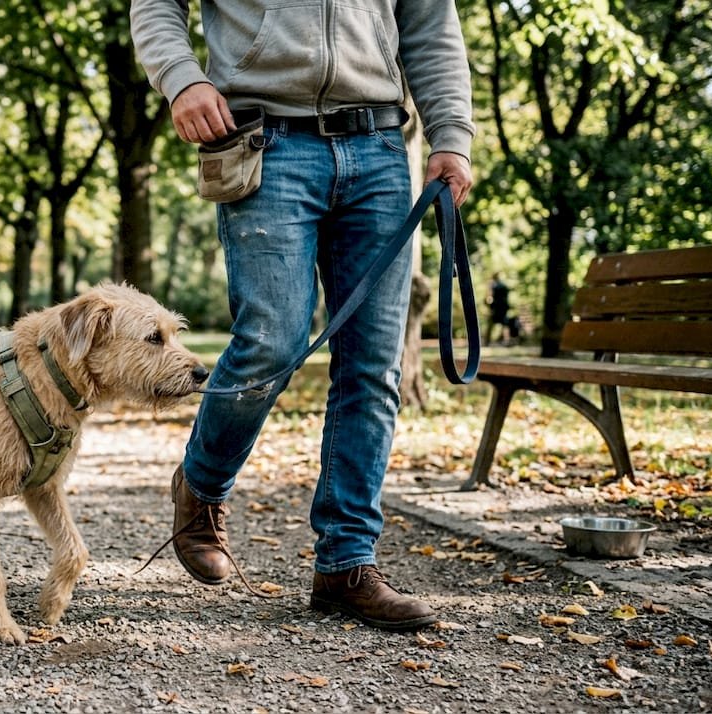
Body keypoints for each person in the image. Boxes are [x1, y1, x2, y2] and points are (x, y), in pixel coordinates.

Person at [130, 0, 475, 630]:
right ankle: (201, 486)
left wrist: (451, 136)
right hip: (265, 140)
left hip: (378, 148)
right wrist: (182, 76)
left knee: (373, 364)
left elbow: (429, 24)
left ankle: (347, 562)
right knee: (272, 342)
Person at [486, 273, 516, 345]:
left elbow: (490, 297)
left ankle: (488, 341)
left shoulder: (494, 285)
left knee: (492, 323)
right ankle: (506, 340)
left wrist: (489, 305)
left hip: (496, 307)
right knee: (504, 324)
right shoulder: (504, 286)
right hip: (503, 307)